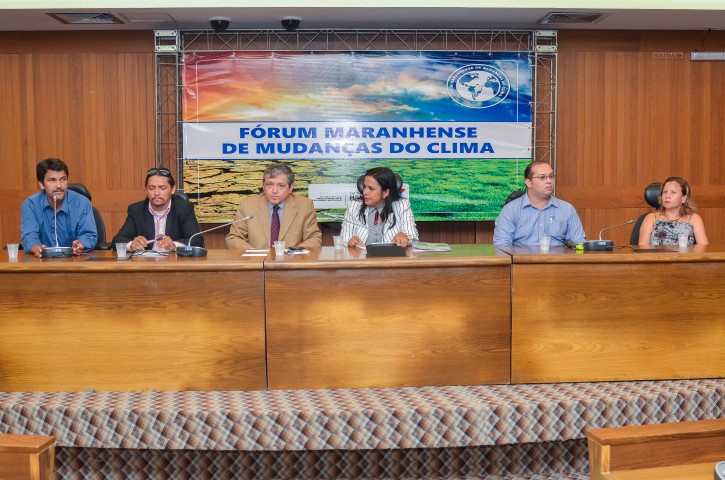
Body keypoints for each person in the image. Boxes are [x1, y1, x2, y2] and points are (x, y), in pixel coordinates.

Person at [225, 162, 322, 250]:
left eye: (280, 186)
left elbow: (315, 239)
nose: (274, 191)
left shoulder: (305, 205)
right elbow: (233, 239)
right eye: (270, 185)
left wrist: (292, 251)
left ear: (291, 188)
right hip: (257, 264)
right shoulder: (247, 205)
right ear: (263, 186)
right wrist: (254, 253)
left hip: (291, 264)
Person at [493, 161, 586, 246]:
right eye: (542, 177)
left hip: (558, 263)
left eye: (551, 176)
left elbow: (579, 244)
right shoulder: (511, 210)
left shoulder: (567, 209)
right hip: (522, 263)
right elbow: (501, 246)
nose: (549, 181)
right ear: (528, 182)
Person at [112, 167, 203, 252]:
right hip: (146, 264)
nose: (156, 193)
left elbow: (197, 240)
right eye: (151, 188)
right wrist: (131, 245)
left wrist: (174, 246)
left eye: (162, 188)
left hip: (174, 263)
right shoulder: (136, 210)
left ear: (172, 189)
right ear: (146, 190)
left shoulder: (184, 209)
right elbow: (117, 240)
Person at [21, 158, 97, 257]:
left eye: (63, 179)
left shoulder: (82, 203)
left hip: (75, 261)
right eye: (52, 180)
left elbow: (89, 234)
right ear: (41, 184)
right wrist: (36, 248)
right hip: (43, 262)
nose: (59, 185)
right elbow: (29, 236)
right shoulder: (30, 205)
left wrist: (80, 245)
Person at [341, 166, 419, 248]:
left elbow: (413, 237)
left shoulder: (402, 205)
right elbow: (343, 238)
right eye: (364, 187)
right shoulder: (354, 206)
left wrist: (405, 237)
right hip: (362, 258)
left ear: (385, 192)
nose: (365, 192)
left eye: (371, 188)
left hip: (391, 258)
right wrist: (349, 241)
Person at [638, 177, 708, 246]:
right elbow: (642, 249)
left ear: (684, 198)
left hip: (685, 257)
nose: (667, 196)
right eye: (665, 192)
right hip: (656, 257)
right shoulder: (651, 218)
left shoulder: (694, 218)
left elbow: (703, 248)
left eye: (673, 192)